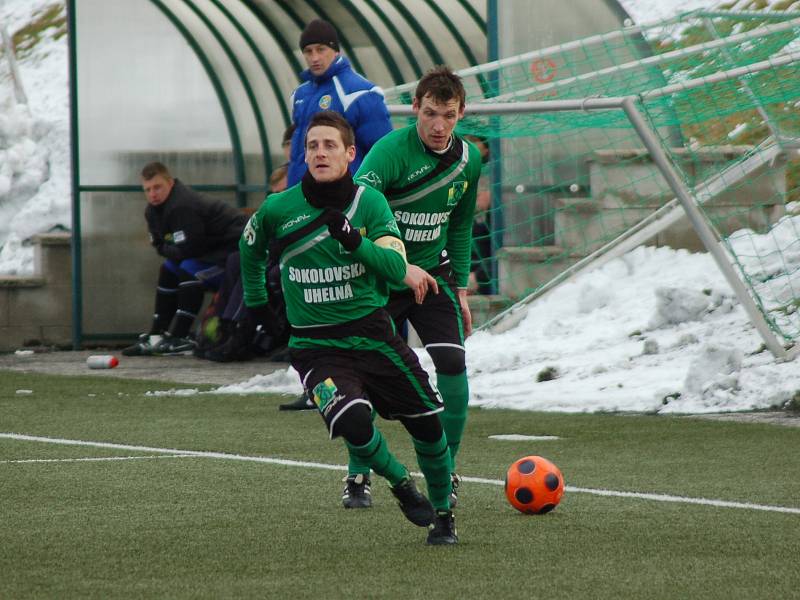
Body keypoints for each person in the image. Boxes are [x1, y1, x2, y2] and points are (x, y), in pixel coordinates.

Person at [239, 111, 457, 544]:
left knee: (430, 425)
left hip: (374, 336)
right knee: (355, 423)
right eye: (313, 146)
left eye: (330, 145)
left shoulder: (369, 204)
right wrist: (258, 305)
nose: (320, 152)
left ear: (350, 153)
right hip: (316, 349)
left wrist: (353, 241)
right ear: (304, 155)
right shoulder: (278, 209)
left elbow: (396, 267)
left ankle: (445, 516)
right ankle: (400, 483)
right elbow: (249, 249)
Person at [348, 66, 483, 510]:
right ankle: (358, 475)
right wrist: (383, 263)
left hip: (435, 276)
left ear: (461, 111)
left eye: (448, 114)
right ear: (415, 111)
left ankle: (447, 469)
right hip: (384, 281)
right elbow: (354, 215)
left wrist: (460, 289)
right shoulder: (388, 152)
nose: (439, 125)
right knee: (365, 379)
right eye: (430, 114)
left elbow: (460, 226)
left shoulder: (469, 160)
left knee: (453, 363)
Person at [122, 162, 247, 356]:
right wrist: (168, 247)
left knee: (190, 269)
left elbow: (189, 248)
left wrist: (167, 246)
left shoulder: (182, 205)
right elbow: (162, 246)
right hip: (210, 252)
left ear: (170, 183)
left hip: (235, 253)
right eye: (147, 190)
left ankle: (179, 335)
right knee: (169, 268)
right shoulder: (152, 211)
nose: (153, 194)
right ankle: (157, 333)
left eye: (157, 187)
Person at [286, 18, 392, 187]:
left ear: (336, 51)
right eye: (308, 51)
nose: (314, 57)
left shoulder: (359, 93)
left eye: (321, 49)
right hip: (302, 198)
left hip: (343, 198)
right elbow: (298, 153)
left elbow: (383, 153)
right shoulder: (300, 95)